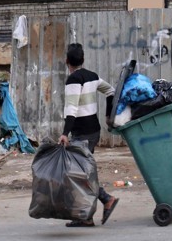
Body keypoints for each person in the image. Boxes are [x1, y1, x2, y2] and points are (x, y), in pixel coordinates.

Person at [59, 43, 119, 227]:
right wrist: (108, 115)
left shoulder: (73, 80)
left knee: (79, 174)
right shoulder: (92, 76)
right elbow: (111, 91)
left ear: (67, 61)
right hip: (93, 130)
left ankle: (106, 199)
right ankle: (86, 217)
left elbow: (72, 109)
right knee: (82, 172)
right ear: (83, 60)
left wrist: (64, 134)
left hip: (81, 133)